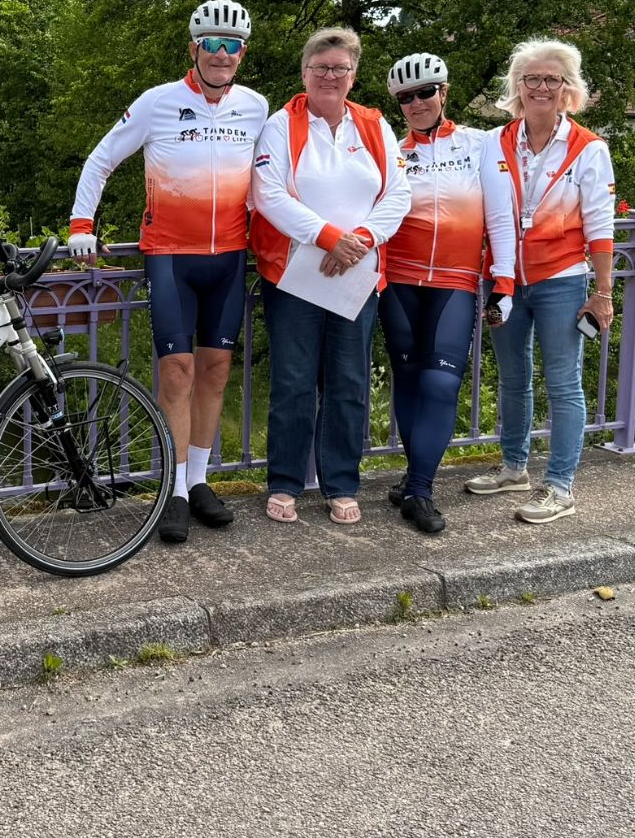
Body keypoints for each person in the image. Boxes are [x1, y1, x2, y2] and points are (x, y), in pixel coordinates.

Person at [68, 0, 269, 543]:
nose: (222, 55)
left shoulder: (255, 107)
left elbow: (274, 179)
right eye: (212, 44)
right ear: (194, 48)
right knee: (176, 373)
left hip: (230, 256)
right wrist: (81, 224)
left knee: (215, 372)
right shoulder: (158, 103)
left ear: (242, 54)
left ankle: (201, 482)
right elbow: (101, 159)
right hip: (171, 257)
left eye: (232, 46)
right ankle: (174, 489)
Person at [250, 27, 410, 525]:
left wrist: (358, 240)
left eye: (339, 68)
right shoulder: (282, 124)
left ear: (353, 75)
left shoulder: (374, 124)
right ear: (304, 73)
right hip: (294, 276)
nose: (330, 76)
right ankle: (285, 482)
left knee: (348, 381)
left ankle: (341, 482)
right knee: (294, 381)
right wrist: (327, 238)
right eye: (321, 67)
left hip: (355, 275)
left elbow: (399, 194)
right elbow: (267, 194)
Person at [473, 38, 616, 524]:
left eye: (550, 79)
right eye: (530, 78)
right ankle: (514, 467)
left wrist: (602, 293)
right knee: (512, 379)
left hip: (562, 279)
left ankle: (559, 485)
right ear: (516, 86)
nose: (539, 87)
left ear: (567, 89)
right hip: (505, 280)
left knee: (563, 384)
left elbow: (600, 224)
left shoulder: (589, 148)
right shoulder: (493, 142)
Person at [377, 53, 487, 535]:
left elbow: (502, 214)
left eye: (426, 92)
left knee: (442, 384)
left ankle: (419, 489)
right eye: (406, 97)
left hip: (455, 283)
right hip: (399, 282)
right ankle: (414, 480)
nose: (417, 102)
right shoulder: (391, 153)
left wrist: (501, 278)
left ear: (444, 93)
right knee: (408, 380)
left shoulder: (480, 145)